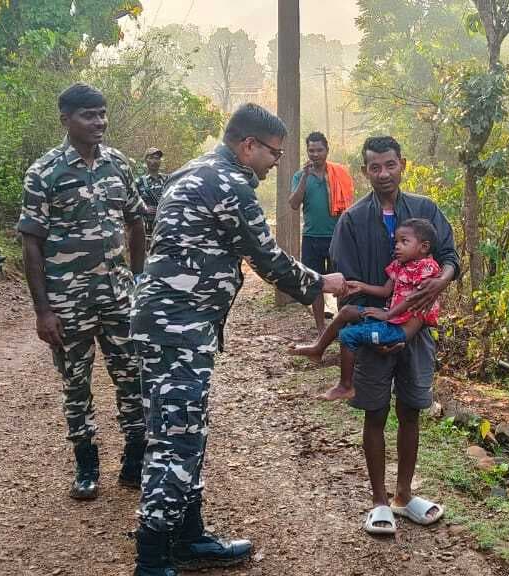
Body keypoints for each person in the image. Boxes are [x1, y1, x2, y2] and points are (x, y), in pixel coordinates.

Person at [128, 103, 346, 576]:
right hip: (177, 328)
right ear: (248, 145)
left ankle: (188, 537)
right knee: (176, 440)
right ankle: (152, 557)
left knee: (187, 431)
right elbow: (267, 259)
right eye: (273, 154)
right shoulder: (227, 183)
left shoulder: (194, 170)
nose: (275, 165)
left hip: (177, 324)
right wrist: (321, 284)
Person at [17, 83, 149, 502]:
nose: (99, 122)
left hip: (119, 299)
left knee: (132, 379)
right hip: (68, 302)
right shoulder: (45, 173)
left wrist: (140, 281)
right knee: (76, 385)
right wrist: (43, 311)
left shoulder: (119, 165)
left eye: (102, 113)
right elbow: (31, 242)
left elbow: (136, 221)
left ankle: (134, 460)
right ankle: (86, 465)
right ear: (66, 120)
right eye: (89, 115)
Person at [329, 135, 459, 536]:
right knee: (376, 412)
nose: (383, 174)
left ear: (403, 163)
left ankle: (405, 494)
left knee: (411, 410)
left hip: (417, 333)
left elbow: (452, 258)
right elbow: (348, 282)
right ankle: (379, 502)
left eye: (390, 165)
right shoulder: (352, 220)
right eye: (374, 167)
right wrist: (372, 328)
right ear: (365, 169)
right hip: (373, 330)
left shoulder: (425, 210)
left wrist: (439, 284)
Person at [289, 218, 443, 398]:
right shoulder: (400, 266)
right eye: (396, 242)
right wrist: (361, 286)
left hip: (399, 329)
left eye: (404, 242)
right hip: (391, 318)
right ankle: (318, 348)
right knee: (346, 312)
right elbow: (386, 291)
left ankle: (346, 386)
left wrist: (388, 315)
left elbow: (413, 298)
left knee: (348, 335)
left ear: (424, 247)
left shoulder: (427, 268)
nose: (397, 246)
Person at [287, 132, 354, 343]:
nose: (315, 154)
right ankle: (321, 328)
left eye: (319, 150)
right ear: (307, 151)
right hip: (311, 237)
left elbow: (349, 203)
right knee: (315, 283)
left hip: (337, 237)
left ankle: (341, 323)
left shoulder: (338, 174)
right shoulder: (300, 176)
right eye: (311, 150)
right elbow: (294, 204)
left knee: (342, 282)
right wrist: (306, 176)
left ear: (327, 150)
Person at [136, 147, 167, 240]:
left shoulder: (167, 180)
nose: (154, 161)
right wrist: (144, 208)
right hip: (147, 228)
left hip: (164, 225)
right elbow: (130, 202)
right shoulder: (139, 182)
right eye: (151, 158)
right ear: (146, 161)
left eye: (157, 158)